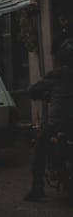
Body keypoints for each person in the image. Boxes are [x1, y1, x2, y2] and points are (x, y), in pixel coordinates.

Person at [24, 41, 73, 201]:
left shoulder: (56, 75)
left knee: (39, 149)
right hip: (63, 125)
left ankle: (37, 188)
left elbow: (33, 90)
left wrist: (37, 94)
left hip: (58, 123)